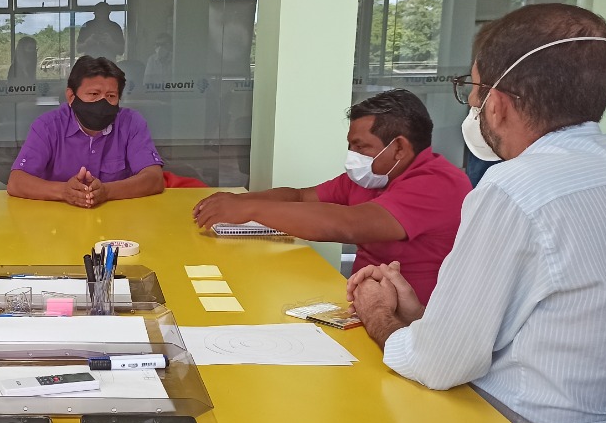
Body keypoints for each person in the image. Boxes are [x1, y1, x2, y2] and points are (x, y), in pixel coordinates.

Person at [349, 3, 606, 423]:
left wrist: (381, 319)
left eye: (471, 89)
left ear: (496, 104)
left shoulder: (515, 189)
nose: (471, 104)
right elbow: (550, 322)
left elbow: (442, 364)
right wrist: (426, 319)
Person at [193, 89, 469, 303]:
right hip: (366, 304)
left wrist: (252, 211)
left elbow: (348, 225)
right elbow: (302, 197)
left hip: (413, 322)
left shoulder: (439, 183)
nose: (353, 156)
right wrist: (240, 201)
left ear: (398, 148)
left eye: (361, 147)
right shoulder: (372, 176)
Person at [7, 56, 163, 208]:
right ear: (71, 96)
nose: (103, 102)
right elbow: (17, 182)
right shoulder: (48, 127)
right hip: (58, 222)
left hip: (116, 221)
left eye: (111, 96)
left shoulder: (131, 123)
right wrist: (64, 191)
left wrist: (107, 192)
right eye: (94, 94)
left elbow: (154, 178)